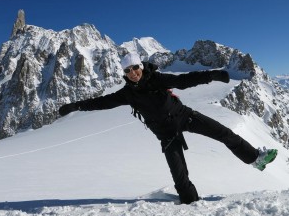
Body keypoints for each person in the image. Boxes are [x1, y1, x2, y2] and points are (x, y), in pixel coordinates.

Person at [59, 53, 278, 204]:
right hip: (166, 134)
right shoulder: (127, 94)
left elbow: (184, 81)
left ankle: (255, 158)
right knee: (180, 178)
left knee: (224, 133)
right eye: (128, 70)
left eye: (135, 67)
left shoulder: (156, 79)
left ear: (141, 67)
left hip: (185, 117)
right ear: (125, 73)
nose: (133, 72)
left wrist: (212, 75)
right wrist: (77, 106)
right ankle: (192, 204)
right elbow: (102, 102)